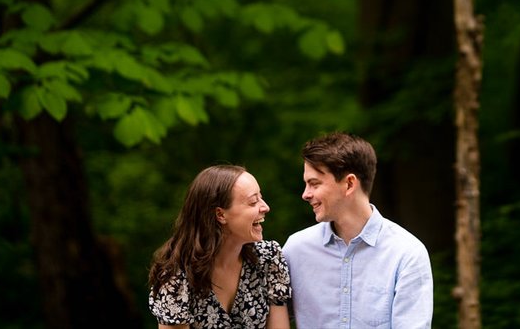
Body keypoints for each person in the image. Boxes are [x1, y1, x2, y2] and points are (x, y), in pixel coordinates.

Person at [282, 132, 433, 329]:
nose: (305, 194)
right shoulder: (295, 250)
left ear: (349, 184)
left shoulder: (406, 253)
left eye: (314, 183)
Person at [148, 164, 291, 329]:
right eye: (253, 202)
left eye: (261, 197)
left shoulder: (269, 257)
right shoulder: (177, 274)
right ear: (220, 214)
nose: (265, 207)